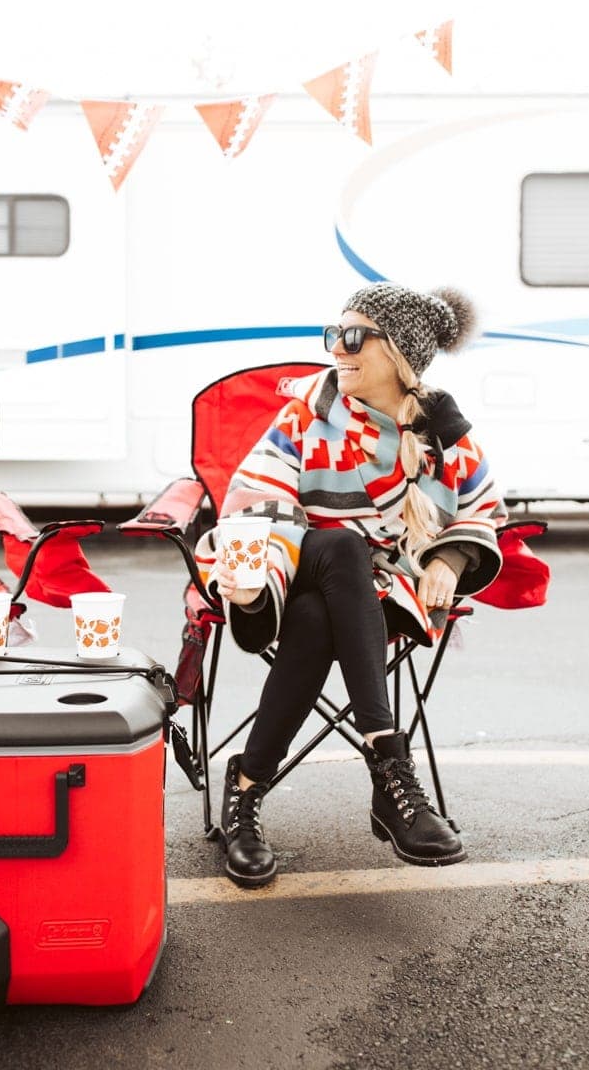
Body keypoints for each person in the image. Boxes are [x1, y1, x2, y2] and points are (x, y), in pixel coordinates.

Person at [194, 282, 507, 888]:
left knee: (317, 616)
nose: (338, 347)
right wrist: (254, 579)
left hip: (375, 592)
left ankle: (247, 786)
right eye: (333, 333)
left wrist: (452, 558)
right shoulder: (307, 416)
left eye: (355, 334)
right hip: (292, 561)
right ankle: (391, 769)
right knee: (340, 547)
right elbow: (251, 499)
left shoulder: (443, 433)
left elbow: (483, 508)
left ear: (400, 354)